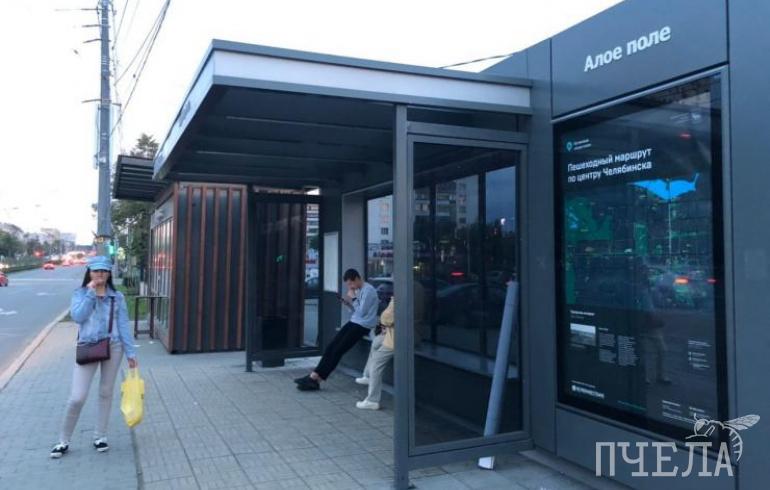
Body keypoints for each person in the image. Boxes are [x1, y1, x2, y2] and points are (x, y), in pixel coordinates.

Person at [50, 256, 138, 458]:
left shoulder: (117, 297)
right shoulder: (80, 293)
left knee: (106, 392)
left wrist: (131, 353)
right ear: (89, 272)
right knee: (77, 397)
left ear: (109, 274)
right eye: (96, 270)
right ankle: (63, 441)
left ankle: (100, 436)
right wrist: (91, 293)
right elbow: (78, 317)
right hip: (88, 347)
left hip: (114, 347)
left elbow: (123, 325)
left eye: (104, 271)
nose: (100, 274)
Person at [295, 268, 378, 391]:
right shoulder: (359, 289)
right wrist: (348, 304)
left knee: (338, 350)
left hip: (363, 325)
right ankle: (314, 377)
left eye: (350, 283)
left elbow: (362, 312)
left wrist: (353, 298)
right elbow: (357, 311)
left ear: (356, 278)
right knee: (331, 347)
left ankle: (315, 378)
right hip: (355, 322)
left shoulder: (368, 290)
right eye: (348, 285)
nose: (350, 287)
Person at [354, 296, 394, 410]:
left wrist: (385, 323)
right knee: (376, 342)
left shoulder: (400, 295)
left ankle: (372, 400)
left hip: (396, 338)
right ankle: (367, 375)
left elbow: (386, 318)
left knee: (376, 364)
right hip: (393, 333)